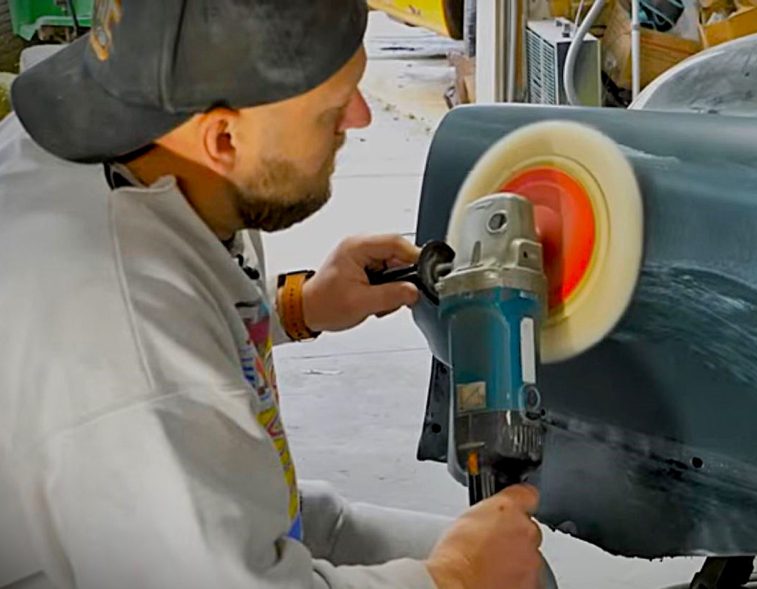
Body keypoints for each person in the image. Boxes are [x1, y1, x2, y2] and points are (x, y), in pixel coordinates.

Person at [0, 1, 546, 588]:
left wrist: (294, 309)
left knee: (522, 569)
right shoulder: (127, 347)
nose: (360, 117)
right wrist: (455, 577)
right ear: (223, 138)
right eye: (332, 109)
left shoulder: (126, 137)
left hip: (176, 512)